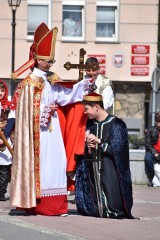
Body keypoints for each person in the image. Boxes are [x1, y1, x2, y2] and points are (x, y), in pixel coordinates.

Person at [10, 22, 92, 216]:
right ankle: (42, 206)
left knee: (57, 163)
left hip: (51, 130)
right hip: (38, 135)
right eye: (48, 61)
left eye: (51, 62)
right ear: (38, 60)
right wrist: (45, 111)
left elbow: (65, 96)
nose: (50, 65)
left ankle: (56, 204)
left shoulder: (49, 81)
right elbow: (26, 116)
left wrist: (82, 86)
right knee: (44, 166)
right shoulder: (29, 84)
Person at [75, 93, 134, 219]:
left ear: (96, 106)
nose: (85, 112)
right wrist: (88, 146)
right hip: (93, 168)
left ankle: (111, 210)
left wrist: (100, 142)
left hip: (111, 169)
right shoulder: (90, 125)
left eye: (86, 109)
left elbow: (119, 151)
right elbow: (84, 151)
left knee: (113, 202)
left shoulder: (117, 124)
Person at [0, 80, 15, 201]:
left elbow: (11, 122)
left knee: (3, 168)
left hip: (5, 139)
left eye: (2, 90)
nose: (0, 93)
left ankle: (1, 193)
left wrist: (3, 138)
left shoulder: (10, 105)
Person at [144, 111, 160, 187]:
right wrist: (155, 153)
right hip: (153, 151)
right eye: (158, 121)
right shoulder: (150, 130)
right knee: (148, 159)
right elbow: (148, 144)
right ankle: (151, 177)